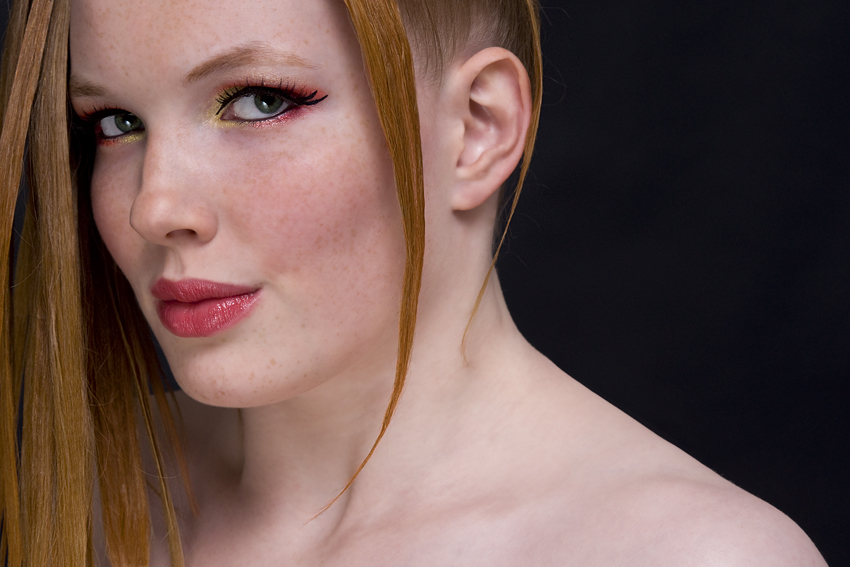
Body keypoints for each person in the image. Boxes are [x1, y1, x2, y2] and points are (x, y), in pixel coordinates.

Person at [0, 0, 828, 565]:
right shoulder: (85, 494)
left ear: (477, 127)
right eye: (115, 123)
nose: (154, 207)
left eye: (258, 102)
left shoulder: (687, 555)